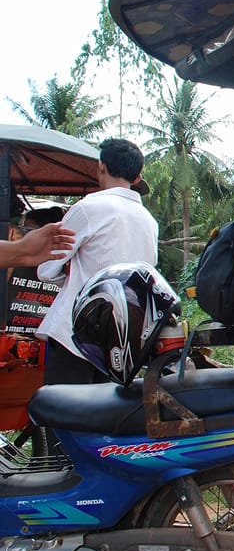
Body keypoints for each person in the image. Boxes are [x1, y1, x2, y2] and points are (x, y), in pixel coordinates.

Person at [36, 138, 158, 384]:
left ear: (100, 167)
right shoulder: (149, 222)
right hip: (118, 340)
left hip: (73, 333)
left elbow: (47, 270)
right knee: (103, 417)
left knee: (63, 413)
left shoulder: (88, 208)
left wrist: (72, 273)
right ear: (137, 178)